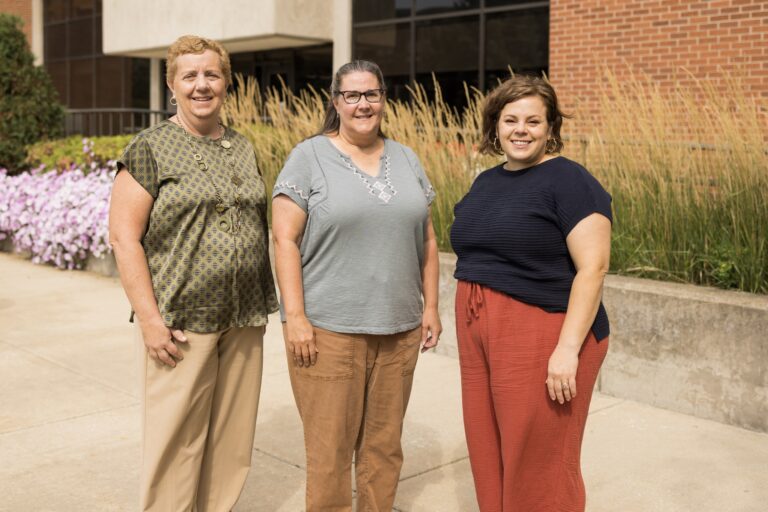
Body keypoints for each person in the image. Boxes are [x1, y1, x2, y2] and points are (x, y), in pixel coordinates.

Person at [108, 35, 278, 512]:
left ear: (226, 82)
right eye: (190, 76)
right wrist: (149, 319)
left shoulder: (243, 146)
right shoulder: (150, 148)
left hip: (245, 315)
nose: (201, 85)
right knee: (175, 443)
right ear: (171, 85)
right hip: (182, 320)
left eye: (211, 74)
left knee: (230, 440)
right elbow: (124, 238)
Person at [271, 60, 442, 511]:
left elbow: (426, 237)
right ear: (336, 101)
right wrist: (296, 318)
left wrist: (431, 307)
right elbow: (283, 239)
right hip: (330, 331)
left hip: (399, 329)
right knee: (329, 454)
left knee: (384, 450)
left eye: (372, 94)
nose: (362, 104)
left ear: (384, 99)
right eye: (352, 95)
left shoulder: (406, 158)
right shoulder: (308, 157)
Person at [450, 75, 612, 512]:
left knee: (539, 458)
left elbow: (593, 268)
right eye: (511, 120)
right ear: (495, 126)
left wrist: (567, 350)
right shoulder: (486, 181)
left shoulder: (569, 180)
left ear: (550, 127)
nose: (521, 129)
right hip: (480, 334)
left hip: (542, 332)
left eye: (533, 121)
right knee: (487, 447)